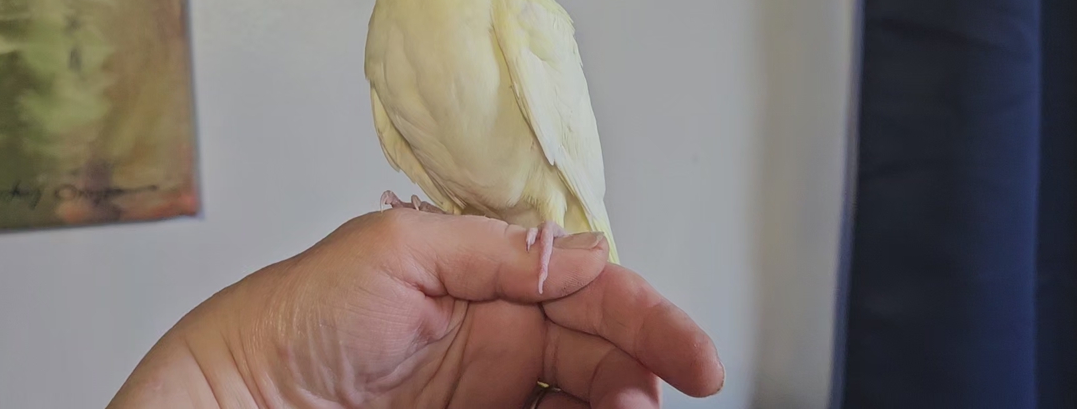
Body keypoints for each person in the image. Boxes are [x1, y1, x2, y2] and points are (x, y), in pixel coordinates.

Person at [106, 208, 725, 408]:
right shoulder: (388, 50)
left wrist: (235, 377)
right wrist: (243, 378)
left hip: (540, 260)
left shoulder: (516, 16)